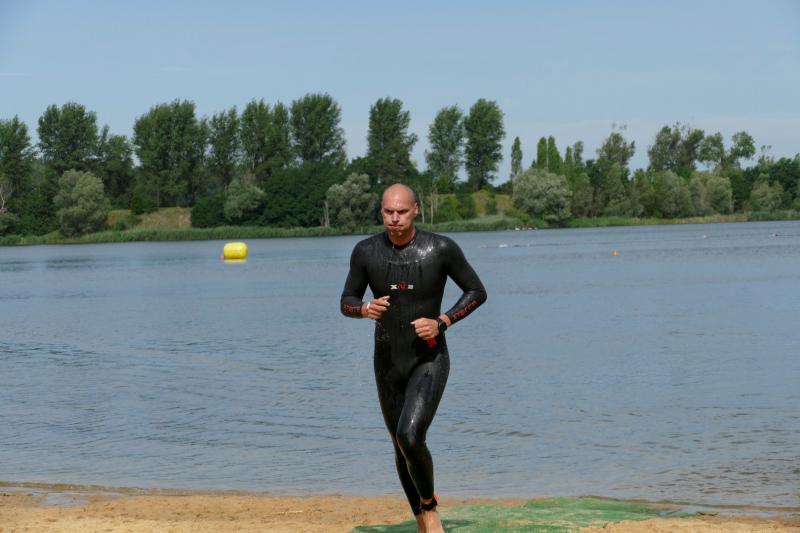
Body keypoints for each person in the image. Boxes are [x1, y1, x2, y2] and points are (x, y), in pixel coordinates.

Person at [340, 184, 487, 533]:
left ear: (416, 210)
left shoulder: (440, 248)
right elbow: (346, 300)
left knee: (410, 435)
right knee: (399, 444)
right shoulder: (366, 251)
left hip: (429, 358)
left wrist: (442, 321)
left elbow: (477, 291)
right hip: (388, 360)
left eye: (402, 211)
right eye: (388, 211)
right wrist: (364, 309)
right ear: (381, 211)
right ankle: (422, 520)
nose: (395, 218)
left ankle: (430, 509)